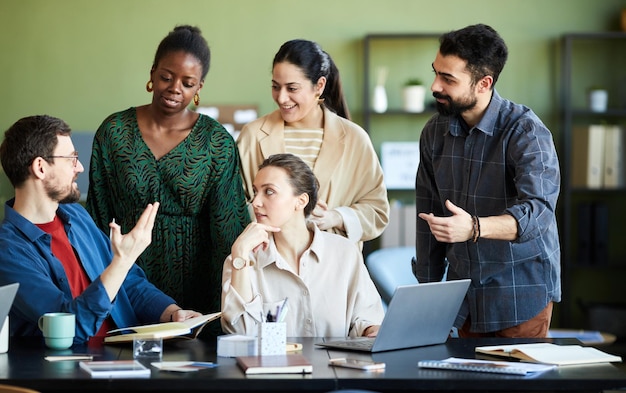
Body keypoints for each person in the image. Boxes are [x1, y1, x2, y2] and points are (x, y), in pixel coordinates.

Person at [86, 25, 249, 318]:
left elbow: (229, 228)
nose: (175, 88)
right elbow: (98, 216)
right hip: (125, 280)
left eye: (188, 83)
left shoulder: (216, 141)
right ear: (152, 74)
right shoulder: (114, 132)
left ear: (199, 88)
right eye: (166, 77)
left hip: (198, 289)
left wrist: (226, 307)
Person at [0, 115, 202, 344]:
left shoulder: (76, 216)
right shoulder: (8, 251)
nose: (80, 167)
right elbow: (68, 329)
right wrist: (122, 261)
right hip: (70, 372)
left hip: (125, 356)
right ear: (40, 168)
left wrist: (172, 314)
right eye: (71, 158)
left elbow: (126, 281)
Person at [415, 24, 561, 338]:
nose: (434, 86)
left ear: (484, 83)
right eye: (436, 73)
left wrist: (475, 228)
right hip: (461, 296)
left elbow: (539, 213)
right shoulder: (433, 133)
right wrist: (426, 294)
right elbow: (427, 211)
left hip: (520, 292)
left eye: (448, 79)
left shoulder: (525, 131)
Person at [237, 39, 389, 246]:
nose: (281, 98)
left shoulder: (355, 138)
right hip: (268, 263)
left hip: (334, 265)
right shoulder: (252, 135)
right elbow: (233, 207)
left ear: (319, 86)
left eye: (292, 88)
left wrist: (337, 217)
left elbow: (377, 211)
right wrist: (282, 214)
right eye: (275, 86)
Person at [221, 153, 383, 337]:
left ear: (301, 201)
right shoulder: (242, 260)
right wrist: (240, 253)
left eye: (269, 191)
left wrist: (372, 330)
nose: (255, 202)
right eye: (255, 192)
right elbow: (239, 333)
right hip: (272, 366)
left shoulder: (344, 252)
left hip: (336, 365)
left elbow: (368, 317)